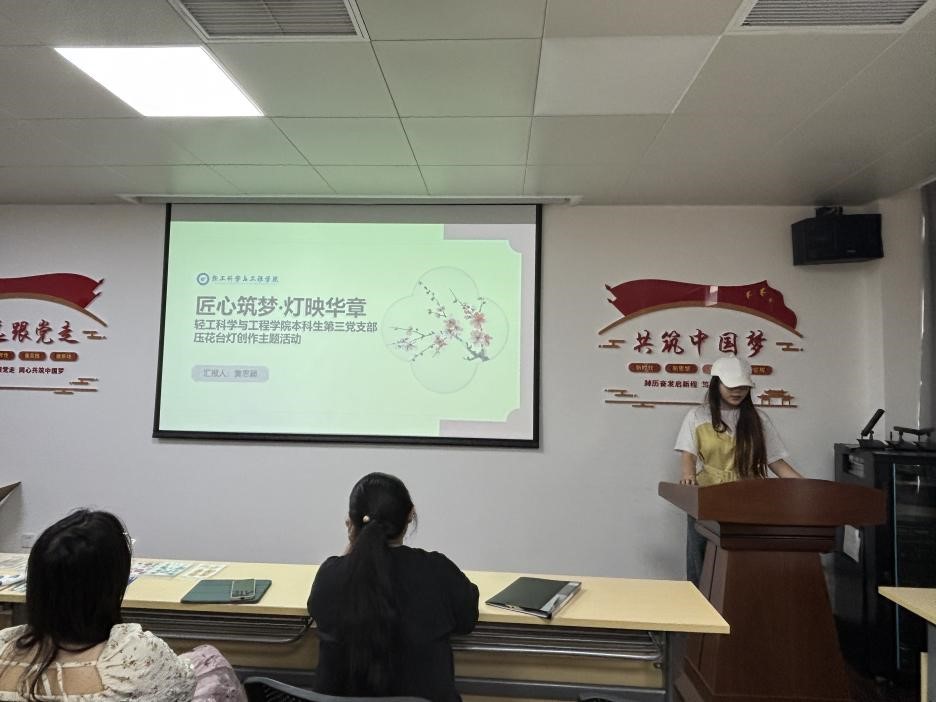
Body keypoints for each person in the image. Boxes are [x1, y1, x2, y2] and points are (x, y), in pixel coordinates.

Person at [0, 509, 245, 701]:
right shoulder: (134, 656)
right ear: (110, 585)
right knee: (210, 661)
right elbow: (184, 685)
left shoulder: (4, 646)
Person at [308, 472, 479, 702]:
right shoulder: (437, 571)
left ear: (351, 522)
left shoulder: (330, 575)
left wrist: (354, 541)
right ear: (410, 515)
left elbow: (318, 609)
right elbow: (467, 619)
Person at [674, 356, 803, 586]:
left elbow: (776, 462)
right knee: (701, 557)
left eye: (743, 387)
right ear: (717, 384)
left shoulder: (758, 419)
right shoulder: (697, 416)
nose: (737, 392)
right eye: (731, 386)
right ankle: (699, 603)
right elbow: (688, 456)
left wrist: (807, 487)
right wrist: (688, 476)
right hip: (708, 496)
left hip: (749, 497)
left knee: (746, 559)